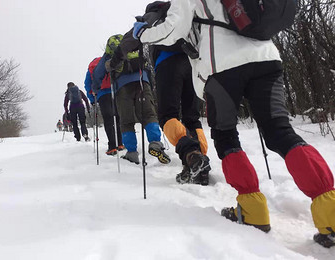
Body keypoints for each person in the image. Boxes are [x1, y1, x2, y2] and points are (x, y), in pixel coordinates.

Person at [134, 0, 335, 246]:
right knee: (280, 131)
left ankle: (252, 210)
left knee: (226, 136)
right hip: (267, 58)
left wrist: (143, 34)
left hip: (223, 67)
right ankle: (331, 211)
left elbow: (174, 29)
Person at [137, 1, 211, 185]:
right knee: (192, 117)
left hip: (167, 63)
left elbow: (136, 39)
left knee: (167, 116)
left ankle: (191, 155)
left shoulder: (152, 16)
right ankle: (198, 162)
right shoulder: (180, 10)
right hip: (191, 63)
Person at [92, 34, 170, 165]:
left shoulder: (111, 52)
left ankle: (132, 153)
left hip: (122, 87)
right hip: (142, 81)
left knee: (126, 121)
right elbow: (146, 66)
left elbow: (99, 71)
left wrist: (95, 89)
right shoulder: (131, 46)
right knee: (149, 115)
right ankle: (155, 142)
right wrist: (149, 84)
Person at [84, 57, 124, 155]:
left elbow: (87, 84)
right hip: (114, 91)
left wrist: (92, 100)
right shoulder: (109, 62)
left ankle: (112, 147)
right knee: (117, 118)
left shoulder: (91, 68)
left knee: (108, 119)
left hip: (102, 95)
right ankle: (120, 143)